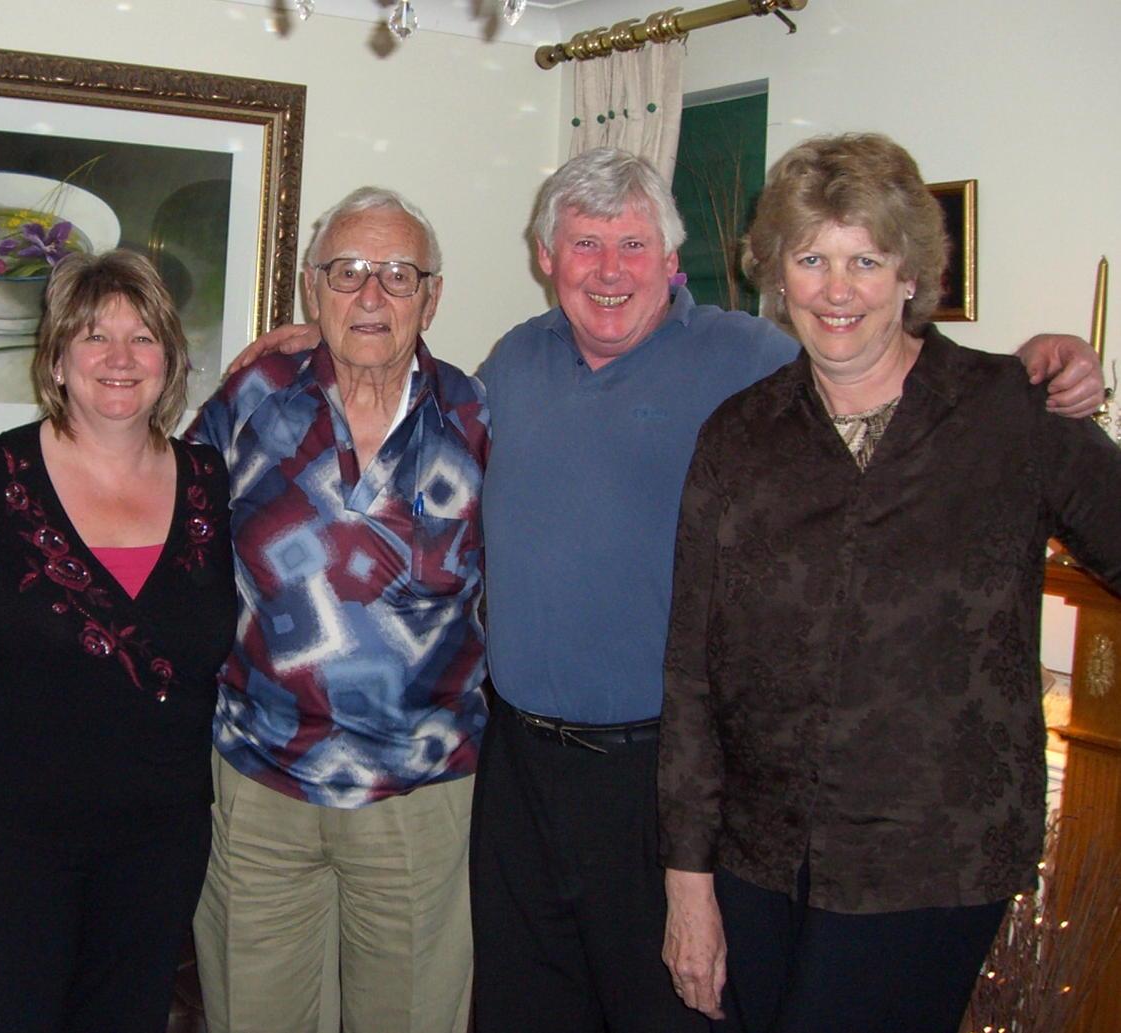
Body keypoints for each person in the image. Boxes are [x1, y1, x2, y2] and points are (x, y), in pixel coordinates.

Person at [234, 148, 1101, 1033]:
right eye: (583, 244)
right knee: (523, 1005)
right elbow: (398, 389)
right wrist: (330, 332)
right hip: (518, 764)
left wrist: (1037, 361)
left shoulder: (749, 358)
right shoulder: (509, 366)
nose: (608, 269)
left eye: (633, 243)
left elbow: (884, 367)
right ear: (545, 259)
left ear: (670, 259)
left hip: (663, 774)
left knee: (665, 1008)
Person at [657, 132, 1121, 1033]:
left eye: (865, 259)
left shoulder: (1008, 412)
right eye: (812, 258)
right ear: (778, 276)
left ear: (910, 272)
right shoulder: (738, 437)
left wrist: (1087, 397)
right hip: (758, 858)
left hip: (929, 862)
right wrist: (687, 880)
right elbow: (691, 674)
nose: (837, 290)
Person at [187, 186, 488, 1033]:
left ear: (432, 295)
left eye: (398, 275)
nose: (370, 295)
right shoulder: (249, 403)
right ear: (311, 288)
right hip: (260, 783)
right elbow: (176, 547)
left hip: (418, 796)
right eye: (347, 271)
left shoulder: (478, 416)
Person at [0, 249, 236, 1032]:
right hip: (12, 842)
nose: (118, 358)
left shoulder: (210, 478)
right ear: (57, 357)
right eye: (94, 335)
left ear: (169, 360)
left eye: (142, 338)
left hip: (158, 842)